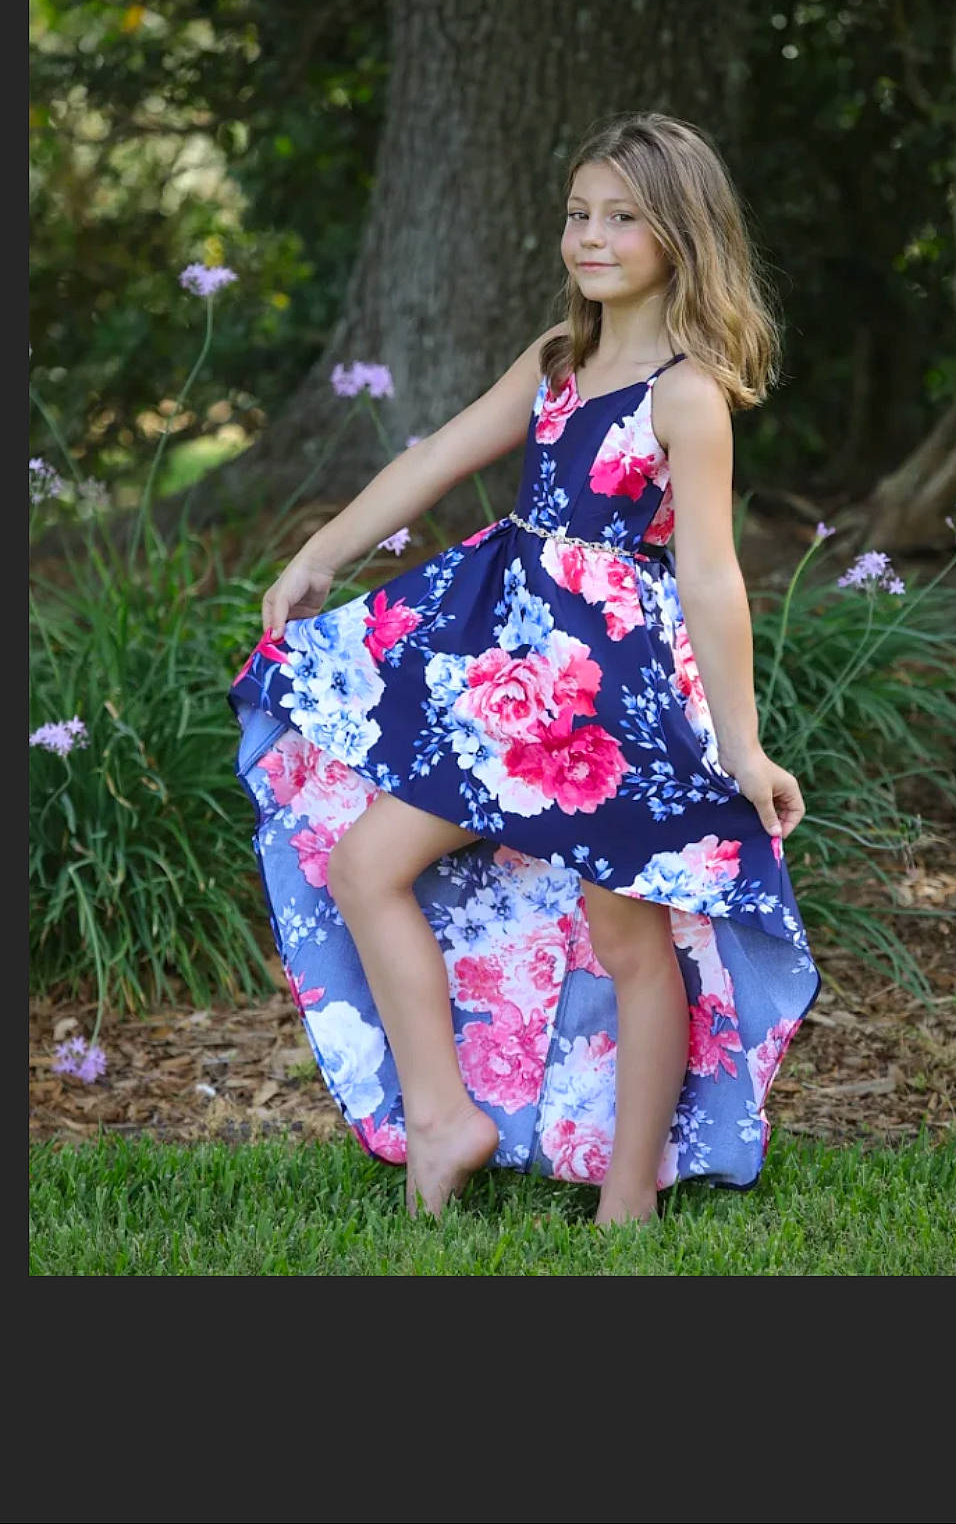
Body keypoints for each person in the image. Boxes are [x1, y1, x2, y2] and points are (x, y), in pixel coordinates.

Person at [229, 113, 819, 1225]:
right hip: (502, 667)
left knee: (626, 934)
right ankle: (445, 1114)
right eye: (576, 214)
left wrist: (740, 745)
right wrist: (318, 555)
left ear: (680, 233)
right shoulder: (557, 361)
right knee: (366, 866)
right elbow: (439, 455)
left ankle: (629, 1194)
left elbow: (710, 575)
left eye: (620, 217)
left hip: (610, 699)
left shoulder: (687, 394)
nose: (589, 238)